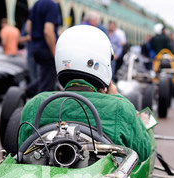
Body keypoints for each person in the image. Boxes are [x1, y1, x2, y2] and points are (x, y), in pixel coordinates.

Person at [19, 25, 152, 164]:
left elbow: (22, 151)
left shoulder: (35, 104)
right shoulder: (121, 107)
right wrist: (116, 97)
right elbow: (144, 151)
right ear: (102, 62)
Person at [24, 0, 61, 98]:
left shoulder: (36, 4)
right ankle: (39, 108)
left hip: (36, 47)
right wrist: (54, 53)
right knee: (47, 86)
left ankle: (27, 90)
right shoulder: (52, 5)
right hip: (46, 48)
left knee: (46, 77)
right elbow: (48, 31)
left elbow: (28, 28)